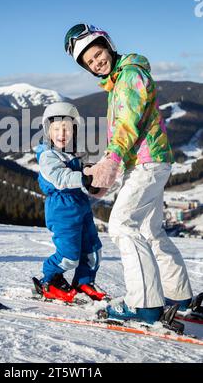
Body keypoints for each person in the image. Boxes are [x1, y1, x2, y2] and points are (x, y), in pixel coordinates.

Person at [64, 23, 193, 324]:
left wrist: (110, 161)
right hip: (149, 162)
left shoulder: (130, 76)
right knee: (151, 231)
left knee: (122, 225)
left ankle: (144, 305)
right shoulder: (118, 80)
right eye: (90, 62)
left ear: (107, 45)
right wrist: (111, 171)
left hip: (148, 163)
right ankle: (178, 296)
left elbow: (127, 124)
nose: (97, 62)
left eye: (98, 54)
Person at [34, 101, 107, 303]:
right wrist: (82, 178)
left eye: (66, 128)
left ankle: (84, 283)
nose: (61, 133)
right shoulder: (47, 155)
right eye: (56, 128)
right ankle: (49, 280)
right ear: (48, 131)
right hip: (61, 209)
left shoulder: (73, 154)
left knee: (93, 251)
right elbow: (60, 177)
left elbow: (81, 179)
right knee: (69, 256)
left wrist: (92, 181)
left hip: (80, 206)